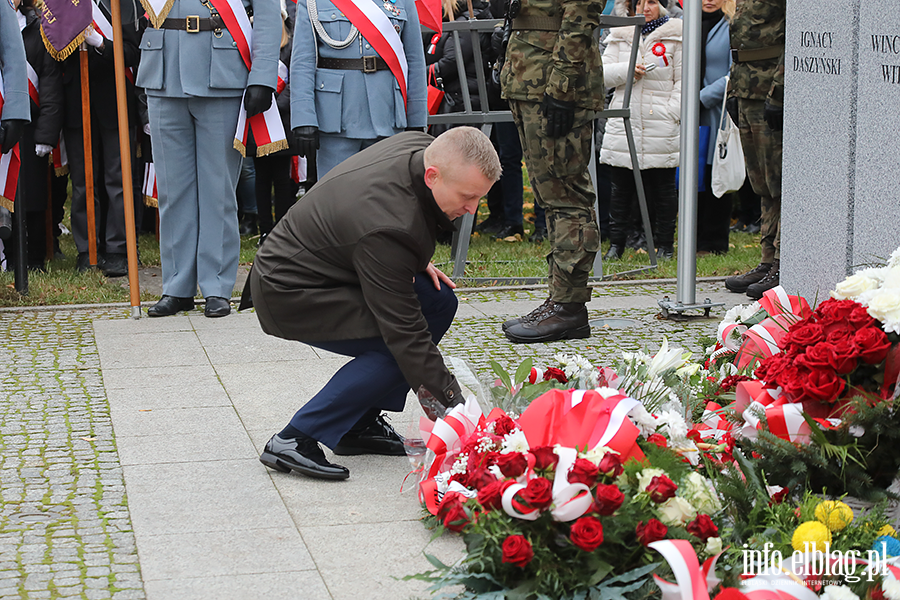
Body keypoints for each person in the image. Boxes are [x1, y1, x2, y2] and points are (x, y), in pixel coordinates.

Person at [251, 128, 499, 480]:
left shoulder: (420, 147)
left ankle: (358, 422)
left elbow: (384, 228)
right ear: (433, 175)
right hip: (290, 292)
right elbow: (406, 336)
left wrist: (404, 257)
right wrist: (456, 411)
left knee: (439, 302)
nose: (472, 209)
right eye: (467, 196)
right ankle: (295, 437)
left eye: (479, 199)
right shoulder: (389, 229)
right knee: (398, 349)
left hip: (331, 266)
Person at [137, 0, 281, 318]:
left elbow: (268, 14)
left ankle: (216, 286)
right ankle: (177, 286)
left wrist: (262, 76)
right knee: (173, 192)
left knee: (218, 191)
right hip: (163, 71)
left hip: (223, 72)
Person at [498, 0, 605, 344]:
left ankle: (568, 307)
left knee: (566, 194)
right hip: (529, 76)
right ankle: (559, 299)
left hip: (552, 84)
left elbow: (581, 13)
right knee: (550, 197)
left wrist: (562, 85)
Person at [290, 0, 428, 178]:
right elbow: (303, 63)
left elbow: (415, 60)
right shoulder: (314, 2)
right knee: (337, 197)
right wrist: (304, 119)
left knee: (385, 197)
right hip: (336, 121)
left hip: (388, 116)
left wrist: (416, 120)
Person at [61, 0, 140, 277]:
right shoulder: (63, 4)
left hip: (115, 100)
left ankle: (118, 248)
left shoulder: (121, 4)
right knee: (83, 181)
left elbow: (132, 52)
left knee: (118, 179)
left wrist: (100, 43)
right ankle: (87, 249)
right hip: (75, 102)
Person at [600, 0, 682, 261]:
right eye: (640, 2)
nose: (646, 8)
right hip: (624, 120)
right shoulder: (619, 34)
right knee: (620, 189)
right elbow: (601, 74)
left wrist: (672, 113)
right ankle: (616, 245)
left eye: (652, 1)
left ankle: (665, 246)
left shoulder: (676, 36)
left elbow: (683, 81)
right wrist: (627, 71)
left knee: (664, 190)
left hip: (661, 122)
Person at [722, 0, 784, 299]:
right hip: (746, 88)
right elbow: (739, 42)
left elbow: (795, 39)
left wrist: (781, 90)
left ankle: (784, 261)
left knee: (779, 181)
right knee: (761, 182)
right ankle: (768, 258)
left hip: (768, 88)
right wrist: (733, 88)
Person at [6, 0, 63, 273]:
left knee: (33, 197)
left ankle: (36, 258)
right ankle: (9, 257)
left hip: (31, 126)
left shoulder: (39, 29)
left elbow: (50, 85)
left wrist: (46, 135)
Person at [255, 7, 298, 247]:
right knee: (261, 178)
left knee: (282, 179)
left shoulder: (290, 49)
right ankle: (264, 230)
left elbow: (294, 83)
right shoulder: (257, 51)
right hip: (260, 122)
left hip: (282, 123)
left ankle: (281, 231)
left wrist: (276, 106)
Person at [695, 0, 733, 255]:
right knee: (692, 176)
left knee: (715, 174)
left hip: (716, 111)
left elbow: (734, 70)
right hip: (687, 112)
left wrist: (703, 96)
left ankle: (714, 242)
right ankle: (692, 238)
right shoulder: (684, 26)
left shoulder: (731, 25)